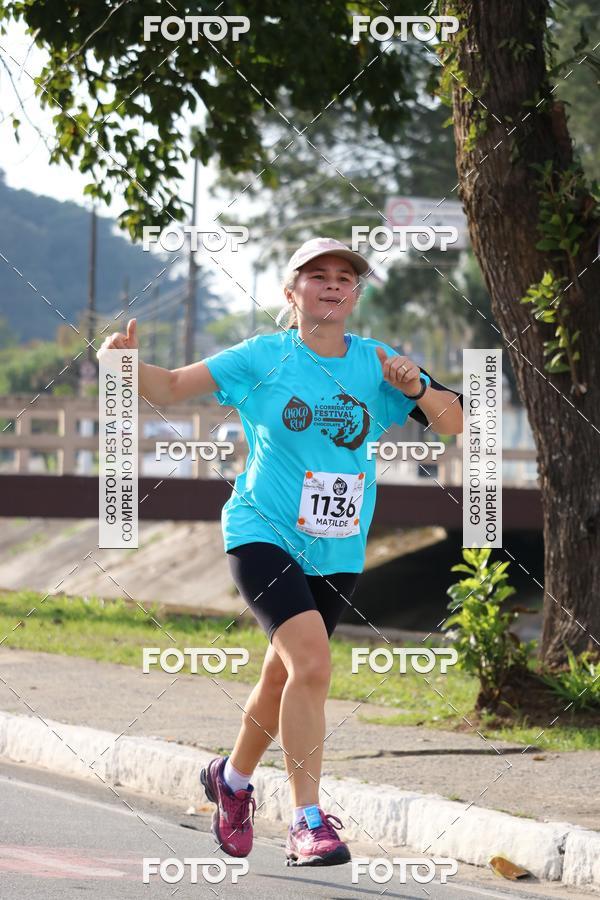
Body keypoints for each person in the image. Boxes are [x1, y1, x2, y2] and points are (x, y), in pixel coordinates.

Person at [97, 236, 464, 867]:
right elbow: (173, 386)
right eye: (317, 275)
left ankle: (232, 779)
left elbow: (456, 421)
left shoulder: (378, 361)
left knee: (283, 676)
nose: (332, 284)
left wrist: (419, 390)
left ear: (356, 293)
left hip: (338, 545)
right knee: (313, 666)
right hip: (261, 533)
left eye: (344, 276)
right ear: (291, 292)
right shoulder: (261, 356)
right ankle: (306, 822)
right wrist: (121, 366)